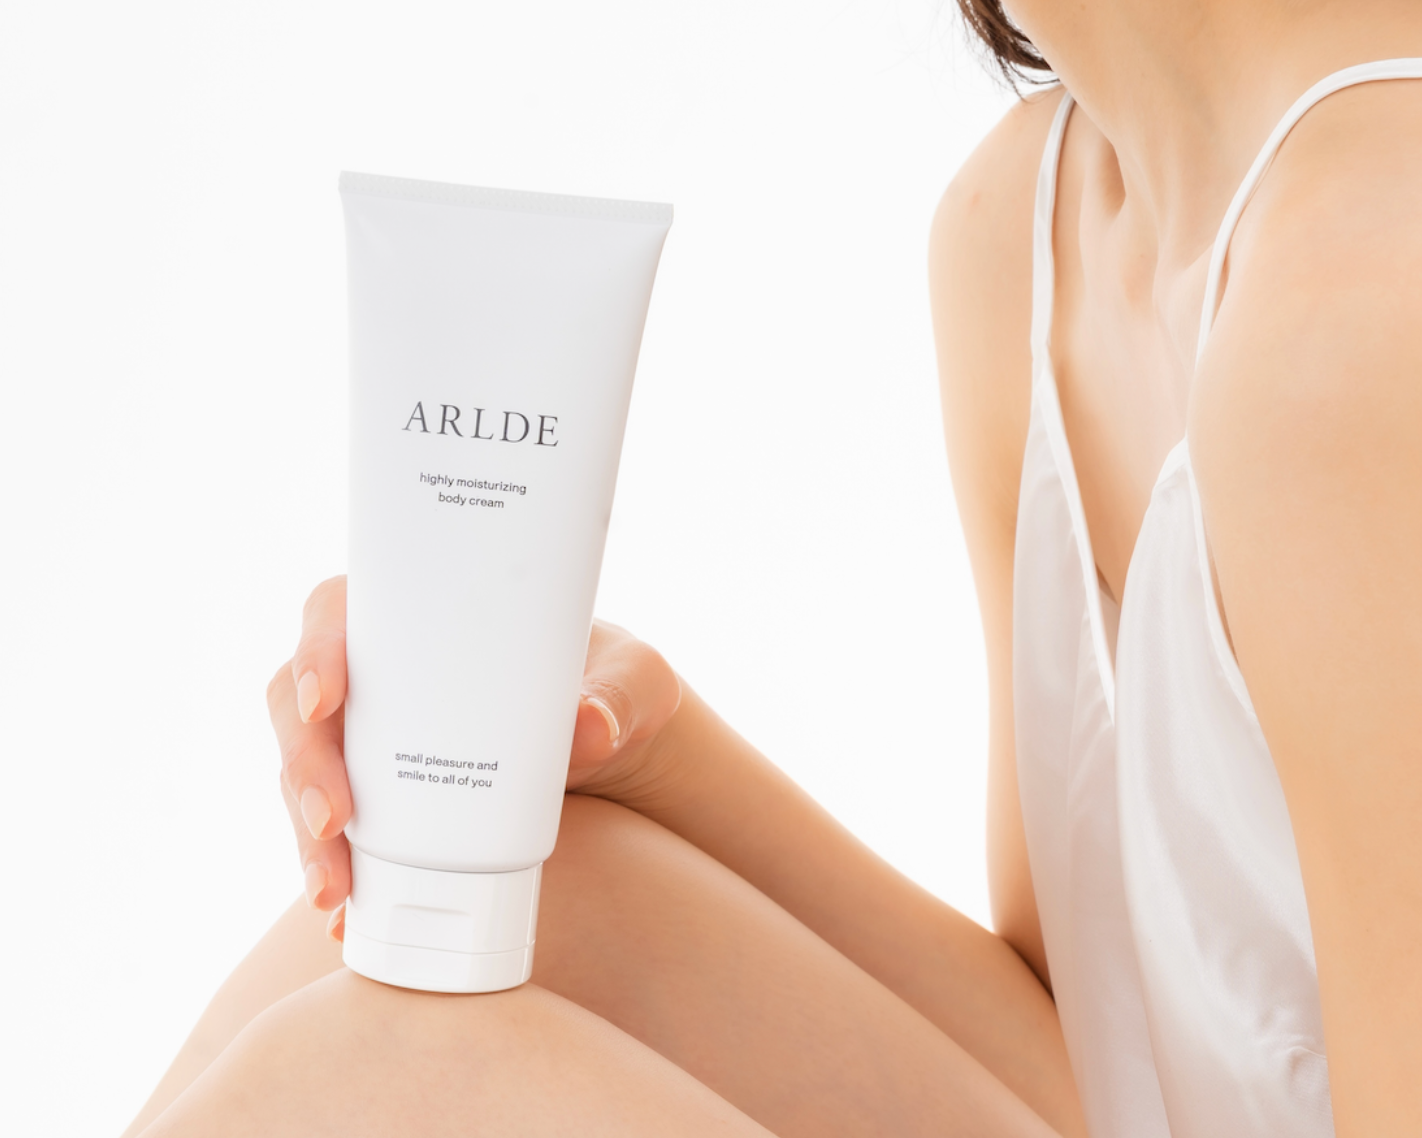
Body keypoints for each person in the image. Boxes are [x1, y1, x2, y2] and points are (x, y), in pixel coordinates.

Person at [121, 1, 1422, 1134]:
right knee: (518, 913)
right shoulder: (1020, 226)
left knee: (378, 1066)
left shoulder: (1360, 299)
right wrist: (649, 750)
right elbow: (1087, 1065)